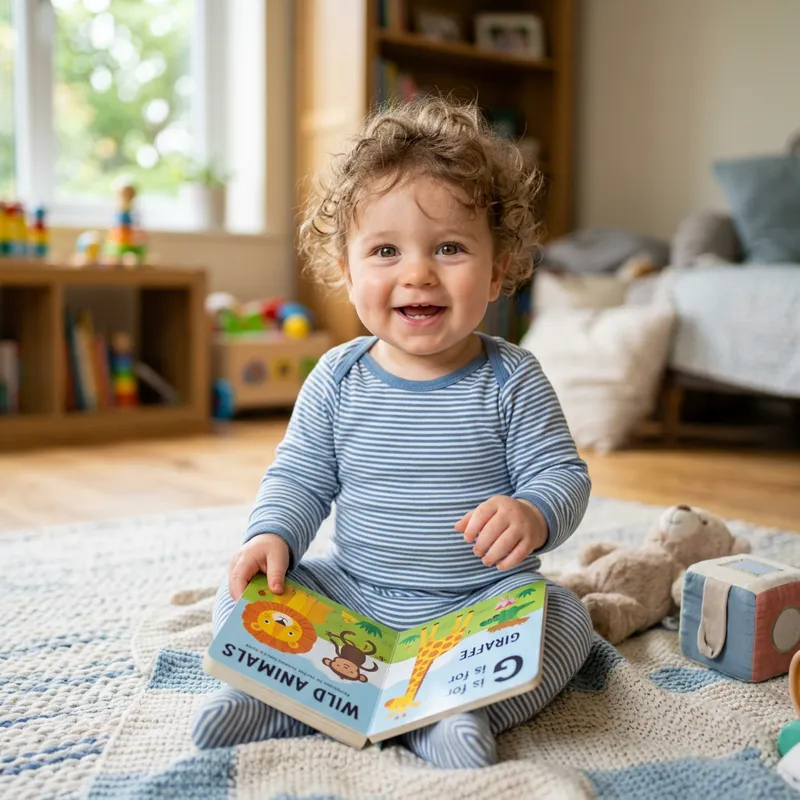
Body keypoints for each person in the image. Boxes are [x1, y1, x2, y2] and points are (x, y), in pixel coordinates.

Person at [192, 97, 593, 769]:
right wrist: (272, 536)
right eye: (385, 250)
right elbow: (299, 477)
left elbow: (563, 475)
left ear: (498, 270)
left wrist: (533, 512)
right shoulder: (337, 377)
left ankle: (455, 714)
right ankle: (272, 698)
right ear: (347, 271)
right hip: (353, 595)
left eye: (450, 248)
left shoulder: (512, 379)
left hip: (477, 605)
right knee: (242, 592)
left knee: (567, 617)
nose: (417, 273)